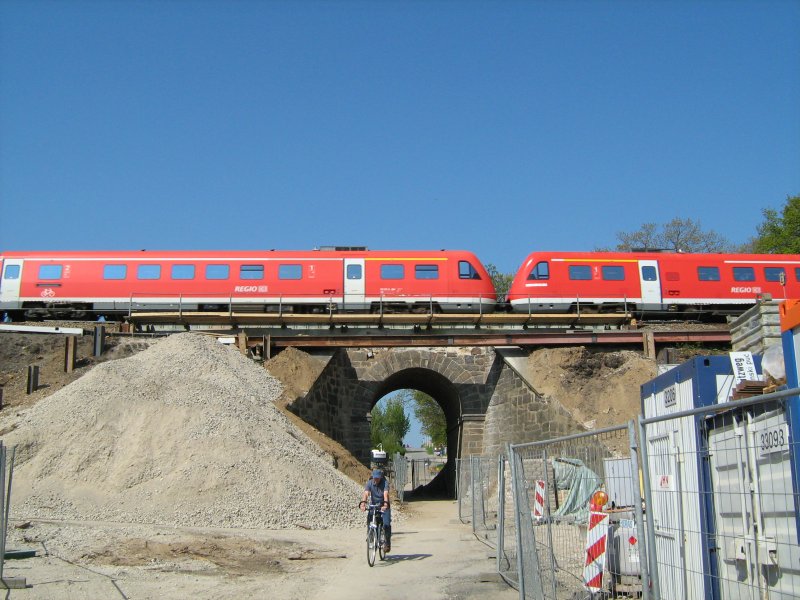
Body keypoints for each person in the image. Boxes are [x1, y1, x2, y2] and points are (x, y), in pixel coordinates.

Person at [361, 468, 392, 553]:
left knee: (386, 524)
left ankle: (387, 543)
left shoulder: (385, 483)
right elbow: (366, 493)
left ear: (381, 477)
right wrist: (363, 503)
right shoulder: (370, 483)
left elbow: (386, 494)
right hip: (374, 505)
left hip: (384, 505)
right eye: (375, 478)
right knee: (369, 520)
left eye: (378, 478)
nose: (376, 479)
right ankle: (371, 536)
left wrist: (385, 504)